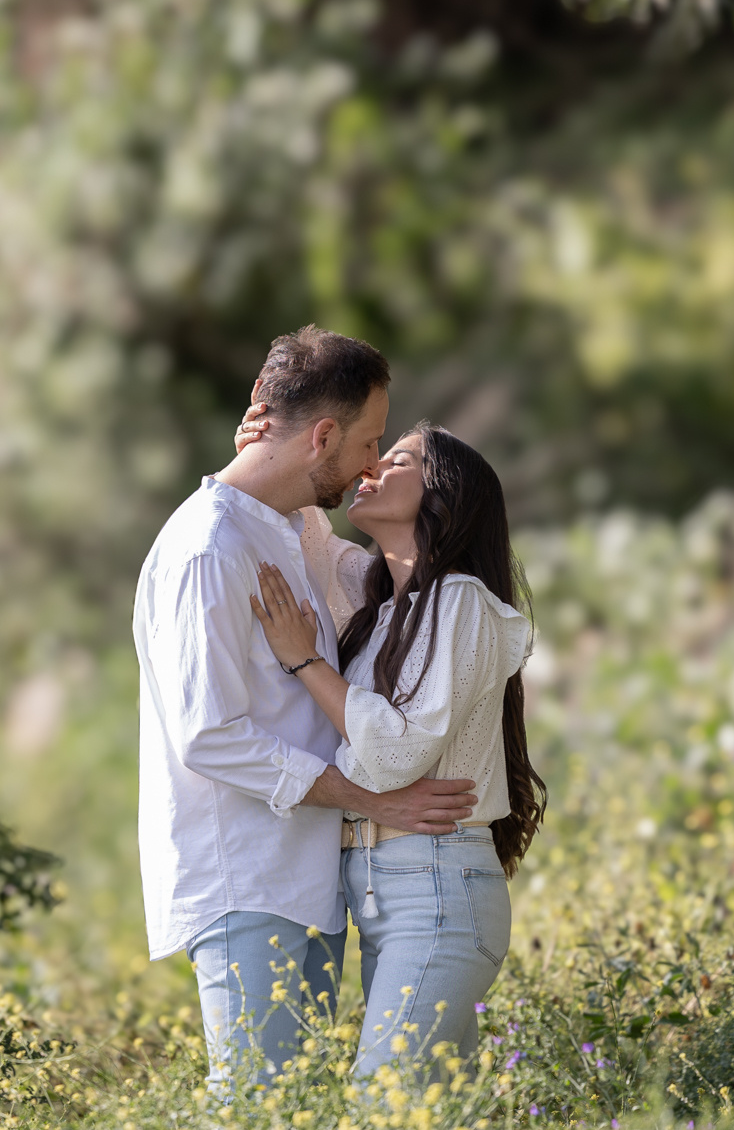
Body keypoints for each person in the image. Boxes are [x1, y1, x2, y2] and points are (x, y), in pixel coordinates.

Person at [135, 326, 482, 1090]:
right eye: (369, 441)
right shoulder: (208, 548)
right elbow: (209, 735)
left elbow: (384, 584)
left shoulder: (292, 530)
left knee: (302, 1103)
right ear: (323, 436)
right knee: (257, 1103)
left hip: (309, 880)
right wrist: (369, 797)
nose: (372, 463)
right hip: (246, 880)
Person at [242, 415, 547, 1076]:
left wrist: (305, 661)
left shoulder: (460, 600)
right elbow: (307, 532)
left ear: (445, 496)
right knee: (437, 1104)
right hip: (385, 893)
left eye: (399, 460)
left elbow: (395, 753)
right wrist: (267, 449)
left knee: (385, 1098)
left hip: (435, 888)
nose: (371, 467)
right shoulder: (383, 606)